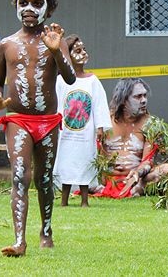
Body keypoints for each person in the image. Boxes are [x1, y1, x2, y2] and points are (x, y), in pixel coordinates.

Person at [0, 0, 76, 257]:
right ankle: (19, 241)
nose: (29, 9)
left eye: (37, 3)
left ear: (49, 8)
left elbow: (71, 78)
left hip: (47, 122)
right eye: (23, 2)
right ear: (15, 3)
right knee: (20, 176)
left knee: (44, 179)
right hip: (18, 120)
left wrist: (57, 51)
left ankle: (46, 230)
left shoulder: (56, 41)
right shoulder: (6, 45)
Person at [53, 34, 112, 207]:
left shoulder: (93, 81)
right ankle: (64, 198)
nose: (83, 53)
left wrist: (100, 126)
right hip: (66, 132)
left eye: (84, 49)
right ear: (68, 56)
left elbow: (99, 104)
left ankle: (84, 199)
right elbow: (56, 103)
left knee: (86, 161)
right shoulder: (61, 81)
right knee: (66, 161)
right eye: (78, 50)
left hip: (86, 133)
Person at [96, 78, 168, 198]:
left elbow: (148, 161)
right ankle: (100, 188)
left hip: (136, 180)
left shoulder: (150, 124)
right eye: (138, 97)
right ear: (123, 100)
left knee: (167, 170)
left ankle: (136, 190)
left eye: (145, 96)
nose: (144, 100)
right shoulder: (105, 120)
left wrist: (137, 174)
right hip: (107, 180)